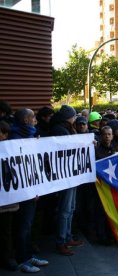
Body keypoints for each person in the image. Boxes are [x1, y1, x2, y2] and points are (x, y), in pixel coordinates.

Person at [10, 108, 49, 273]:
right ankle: (22, 260)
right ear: (26, 120)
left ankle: (28, 255)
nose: (36, 121)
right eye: (33, 118)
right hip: (21, 191)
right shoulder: (14, 138)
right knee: (23, 226)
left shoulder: (29, 135)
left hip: (31, 189)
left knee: (28, 224)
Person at [50, 105, 84, 256]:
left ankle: (68, 237)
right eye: (73, 116)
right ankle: (61, 241)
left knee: (70, 207)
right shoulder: (59, 130)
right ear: (68, 117)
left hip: (72, 173)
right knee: (65, 209)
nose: (75, 118)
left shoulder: (66, 128)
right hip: (65, 175)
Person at [0, 121, 19, 271]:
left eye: (5, 133)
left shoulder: (11, 148)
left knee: (7, 231)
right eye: (2, 133)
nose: (4, 136)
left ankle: (8, 258)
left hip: (8, 200)